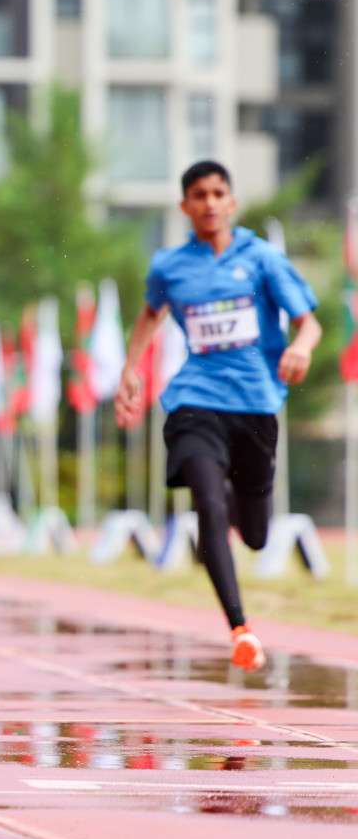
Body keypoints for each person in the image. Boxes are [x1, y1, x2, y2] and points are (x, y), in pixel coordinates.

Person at [115, 161, 319, 673]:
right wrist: (130, 367)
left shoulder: (262, 258)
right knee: (206, 503)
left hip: (255, 404)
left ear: (231, 202)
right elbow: (150, 312)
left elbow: (307, 323)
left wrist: (302, 347)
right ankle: (240, 629)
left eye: (218, 193)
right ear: (185, 206)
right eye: (198, 195)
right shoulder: (169, 265)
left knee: (254, 536)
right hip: (195, 399)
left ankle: (236, 494)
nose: (208, 202)